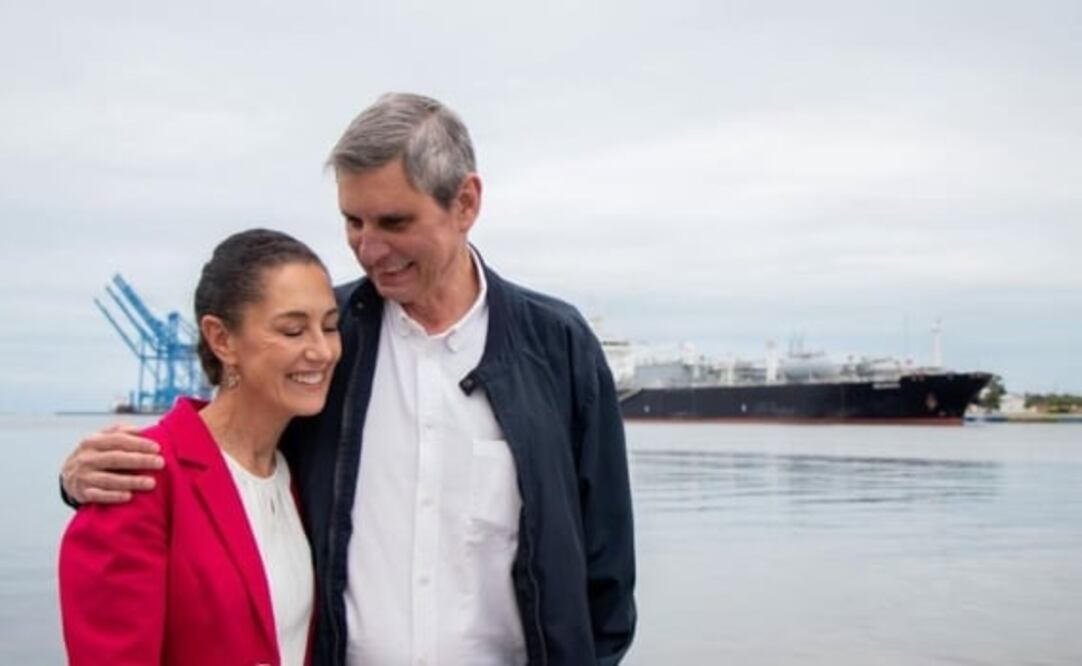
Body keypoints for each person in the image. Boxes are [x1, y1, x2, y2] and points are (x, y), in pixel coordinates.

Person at [61, 93, 636, 665]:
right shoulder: (328, 343)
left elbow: (607, 572)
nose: (369, 248)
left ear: (465, 203)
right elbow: (226, 449)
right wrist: (82, 481)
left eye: (393, 222)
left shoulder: (558, 347)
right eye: (352, 221)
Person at [59, 229, 341, 665]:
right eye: (292, 330)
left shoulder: (296, 469)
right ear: (221, 339)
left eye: (329, 326)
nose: (321, 351)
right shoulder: (139, 477)